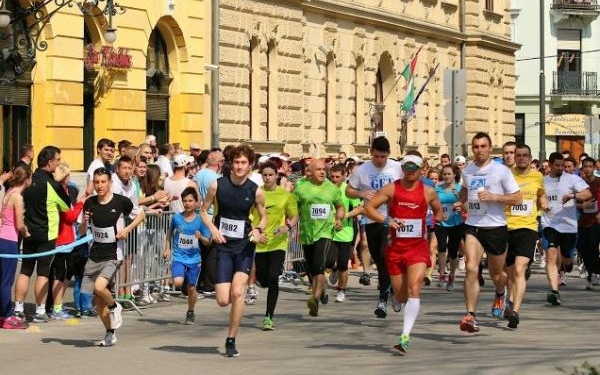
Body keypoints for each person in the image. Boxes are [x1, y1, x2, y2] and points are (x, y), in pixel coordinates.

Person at [364, 154, 443, 354]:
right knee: (400, 294)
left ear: (421, 169)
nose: (410, 170)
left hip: (417, 248)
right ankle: (396, 298)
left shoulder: (428, 192)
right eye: (406, 166)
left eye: (414, 167)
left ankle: (404, 336)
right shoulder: (392, 188)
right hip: (396, 249)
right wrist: (386, 221)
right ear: (402, 168)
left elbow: (439, 212)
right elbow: (369, 208)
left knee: (414, 287)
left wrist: (435, 220)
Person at [200, 144, 267, 357]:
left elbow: (264, 217)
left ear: (250, 166)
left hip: (245, 246)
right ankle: (233, 314)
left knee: (238, 291)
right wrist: (213, 229)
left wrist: (258, 230)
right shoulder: (216, 186)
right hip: (223, 247)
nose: (239, 166)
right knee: (222, 300)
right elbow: (203, 211)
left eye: (243, 163)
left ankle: (231, 338)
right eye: (236, 162)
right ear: (232, 163)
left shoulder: (255, 190)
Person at [458, 132, 522, 333]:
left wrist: (494, 196)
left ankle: (501, 293)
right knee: (471, 268)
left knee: (496, 274)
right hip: (474, 225)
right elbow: (465, 191)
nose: (479, 151)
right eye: (475, 147)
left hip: (495, 227)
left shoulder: (501, 170)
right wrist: (462, 202)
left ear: (490, 147)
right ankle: (471, 315)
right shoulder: (468, 170)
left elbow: (517, 198)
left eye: (483, 146)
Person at [79, 167, 144, 347]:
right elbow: (83, 231)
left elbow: (141, 215)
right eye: (96, 182)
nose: (99, 186)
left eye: (103, 182)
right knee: (99, 304)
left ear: (110, 183)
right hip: (95, 254)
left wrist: (127, 230)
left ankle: (116, 306)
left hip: (114, 254)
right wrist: (84, 222)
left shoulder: (121, 202)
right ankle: (110, 333)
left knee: (100, 287)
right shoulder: (89, 203)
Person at [345, 136, 402, 318]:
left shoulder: (396, 168)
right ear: (371, 153)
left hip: (391, 219)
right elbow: (348, 190)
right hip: (371, 219)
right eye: (376, 156)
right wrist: (360, 192)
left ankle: (382, 300)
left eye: (383, 157)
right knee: (378, 259)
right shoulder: (362, 170)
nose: (379, 160)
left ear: (389, 155)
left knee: (385, 255)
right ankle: (392, 287)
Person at [13, 146, 71, 323]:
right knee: (43, 272)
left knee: (25, 270)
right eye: (58, 160)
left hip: (28, 232)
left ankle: (18, 308)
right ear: (50, 162)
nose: (59, 163)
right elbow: (66, 206)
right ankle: (39, 311)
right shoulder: (53, 184)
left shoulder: (27, 180)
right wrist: (62, 185)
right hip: (46, 234)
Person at [251, 161, 299, 330]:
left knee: (272, 277)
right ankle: (260, 281)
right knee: (264, 280)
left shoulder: (286, 196)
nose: (268, 178)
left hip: (278, 242)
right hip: (260, 242)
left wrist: (287, 226)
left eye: (271, 175)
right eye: (265, 175)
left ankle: (268, 317)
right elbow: (248, 215)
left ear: (277, 176)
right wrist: (256, 231)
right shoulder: (256, 193)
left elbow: (294, 216)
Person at [294, 159, 344, 317]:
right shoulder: (300, 188)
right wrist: (289, 224)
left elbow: (340, 206)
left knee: (319, 266)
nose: (323, 172)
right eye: (318, 169)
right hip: (307, 233)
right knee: (312, 268)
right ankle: (321, 291)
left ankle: (314, 299)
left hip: (325, 232)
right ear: (309, 172)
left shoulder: (331, 188)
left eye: (324, 169)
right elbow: (293, 208)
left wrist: (339, 218)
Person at [504, 144, 546, 329]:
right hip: (506, 227)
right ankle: (508, 299)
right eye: (518, 155)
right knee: (509, 273)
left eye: (524, 155)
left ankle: (515, 311)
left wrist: (544, 203)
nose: (521, 158)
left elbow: (540, 194)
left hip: (528, 228)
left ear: (530, 158)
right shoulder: (506, 175)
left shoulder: (537, 176)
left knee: (520, 270)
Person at [541, 152, 590, 306]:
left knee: (566, 258)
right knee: (551, 254)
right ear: (549, 165)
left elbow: (587, 193)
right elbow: (536, 197)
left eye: (562, 165)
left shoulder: (572, 178)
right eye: (557, 165)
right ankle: (554, 291)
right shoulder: (543, 181)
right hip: (549, 224)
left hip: (568, 226)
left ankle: (567, 264)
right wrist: (541, 204)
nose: (561, 168)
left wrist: (573, 196)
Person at [163, 187, 211, 325]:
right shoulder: (177, 218)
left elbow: (208, 242)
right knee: (178, 282)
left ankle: (190, 311)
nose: (187, 203)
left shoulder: (201, 220)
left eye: (190, 201)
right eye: (185, 201)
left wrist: (200, 236)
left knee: (191, 289)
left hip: (194, 259)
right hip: (179, 256)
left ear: (196, 202)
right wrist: (167, 248)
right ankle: (183, 282)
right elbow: (170, 232)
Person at [48, 163, 86, 320]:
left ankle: (57, 305)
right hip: (62, 238)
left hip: (68, 238)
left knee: (65, 273)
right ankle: (56, 308)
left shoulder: (65, 190)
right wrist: (80, 203)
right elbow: (69, 216)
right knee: (60, 274)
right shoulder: (60, 192)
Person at [0, 165, 31, 329]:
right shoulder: (17, 196)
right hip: (9, 241)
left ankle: (3, 314)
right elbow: (19, 224)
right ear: (27, 179)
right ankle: (7, 316)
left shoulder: (9, 192)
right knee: (6, 281)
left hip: (1, 238)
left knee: (2, 280)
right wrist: (26, 232)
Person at [329, 163, 362, 303]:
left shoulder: (349, 191)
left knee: (343, 263)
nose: (334, 179)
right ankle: (333, 268)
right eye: (332, 176)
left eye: (337, 177)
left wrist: (344, 216)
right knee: (327, 261)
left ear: (344, 176)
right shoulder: (326, 189)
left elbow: (359, 209)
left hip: (345, 231)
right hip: (327, 231)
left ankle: (341, 290)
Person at [194, 150, 224, 295]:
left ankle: (197, 282)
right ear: (219, 164)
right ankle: (208, 284)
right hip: (210, 215)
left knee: (199, 252)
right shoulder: (217, 178)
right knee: (211, 251)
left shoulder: (198, 174)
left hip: (197, 215)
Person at [434, 164, 464, 292]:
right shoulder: (437, 188)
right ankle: (441, 274)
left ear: (454, 175)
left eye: (449, 174)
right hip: (441, 222)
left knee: (453, 250)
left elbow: (465, 205)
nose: (446, 176)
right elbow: (433, 204)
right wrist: (439, 213)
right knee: (441, 247)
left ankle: (452, 275)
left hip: (456, 223)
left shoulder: (459, 188)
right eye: (444, 174)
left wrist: (459, 200)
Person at [577, 157, 600, 290]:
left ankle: (593, 274)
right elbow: (574, 202)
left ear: (594, 168)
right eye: (585, 166)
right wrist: (581, 205)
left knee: (592, 245)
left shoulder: (598, 182)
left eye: (590, 166)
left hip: (596, 221)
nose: (588, 169)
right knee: (582, 248)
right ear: (582, 168)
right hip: (583, 221)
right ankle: (591, 273)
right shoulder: (579, 184)